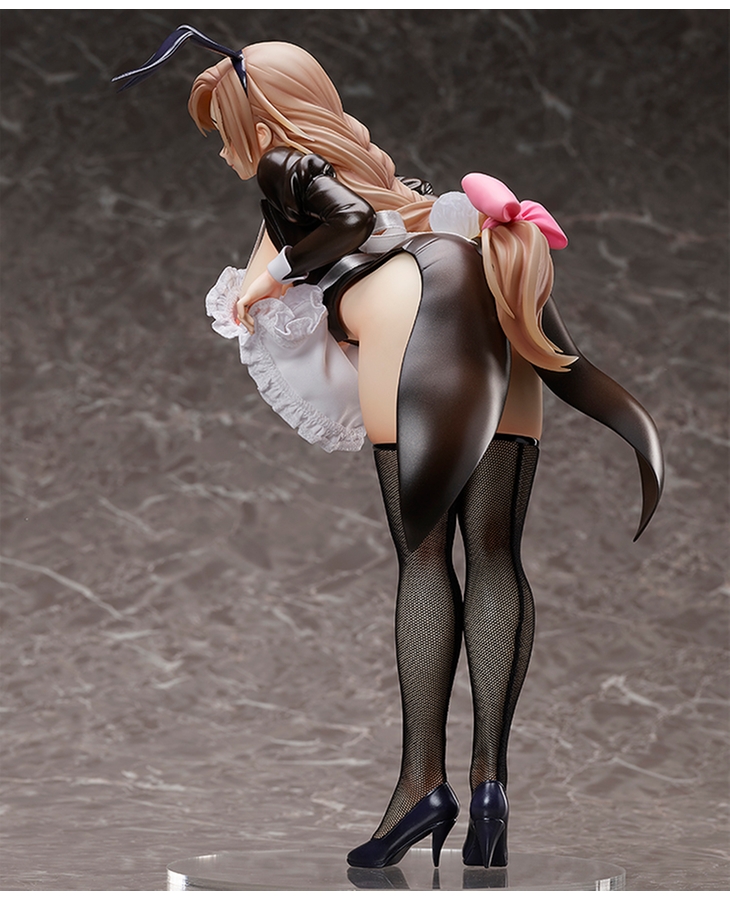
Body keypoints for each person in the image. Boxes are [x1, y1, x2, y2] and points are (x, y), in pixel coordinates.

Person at [114, 27, 663, 870]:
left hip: (409, 312)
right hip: (488, 284)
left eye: (225, 131)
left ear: (260, 123)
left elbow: (335, 238)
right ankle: (490, 789)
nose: (225, 151)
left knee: (425, 557)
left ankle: (420, 787)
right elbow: (409, 217)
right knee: (495, 553)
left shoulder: (285, 172)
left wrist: (265, 281)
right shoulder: (399, 186)